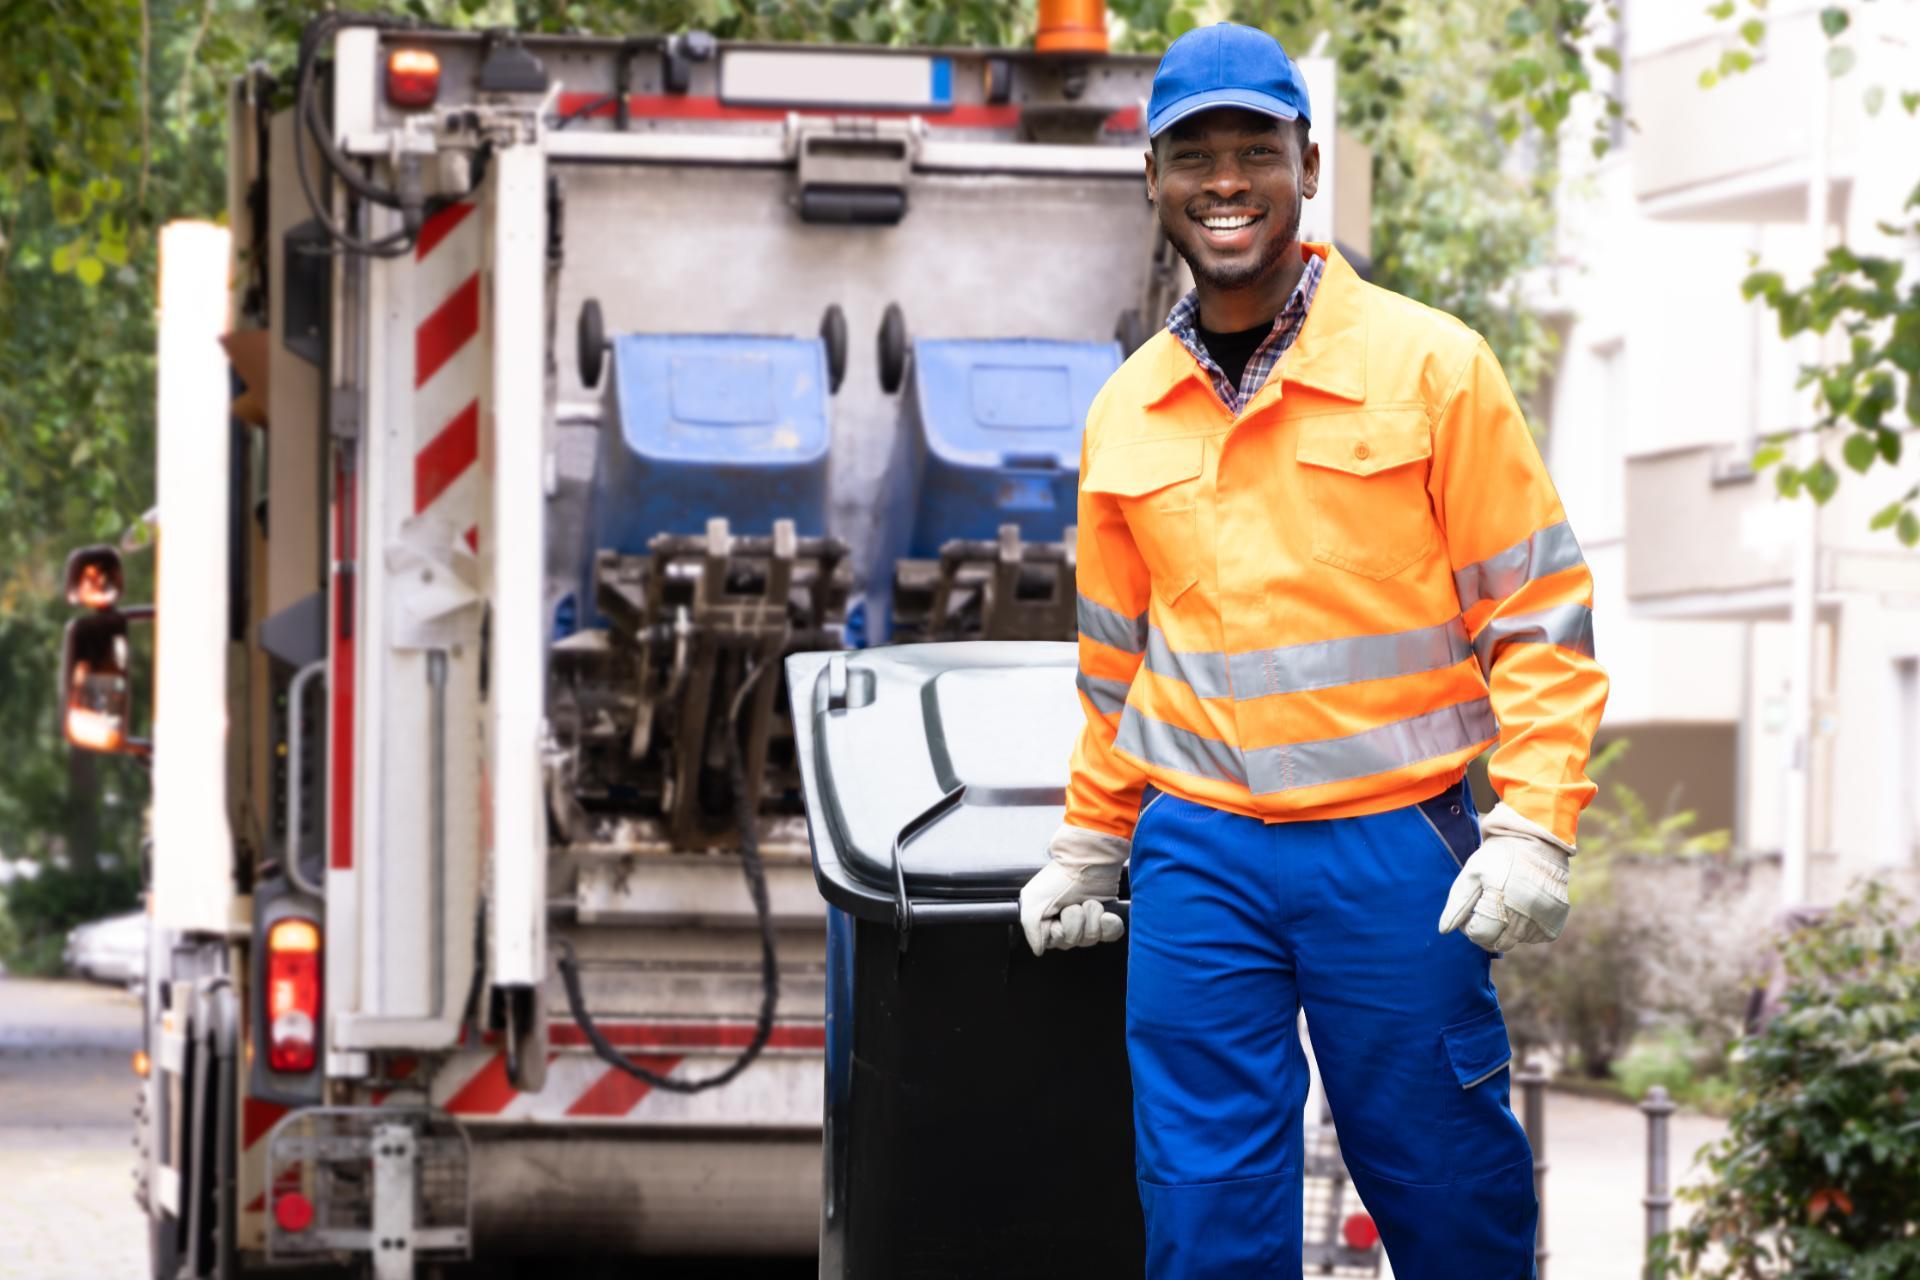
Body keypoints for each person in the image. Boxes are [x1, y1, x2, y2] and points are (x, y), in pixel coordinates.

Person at [1017, 21, 1609, 1279]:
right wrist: (1088, 835)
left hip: (1395, 847)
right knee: (1203, 1204)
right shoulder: (1127, 408)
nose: (1225, 180)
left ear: (1309, 165)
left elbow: (1540, 616)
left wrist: (1535, 823)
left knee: (1448, 1192)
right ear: (1155, 182)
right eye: (1195, 155)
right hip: (1199, 854)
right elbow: (1118, 663)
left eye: (1255, 149)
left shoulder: (1432, 369)